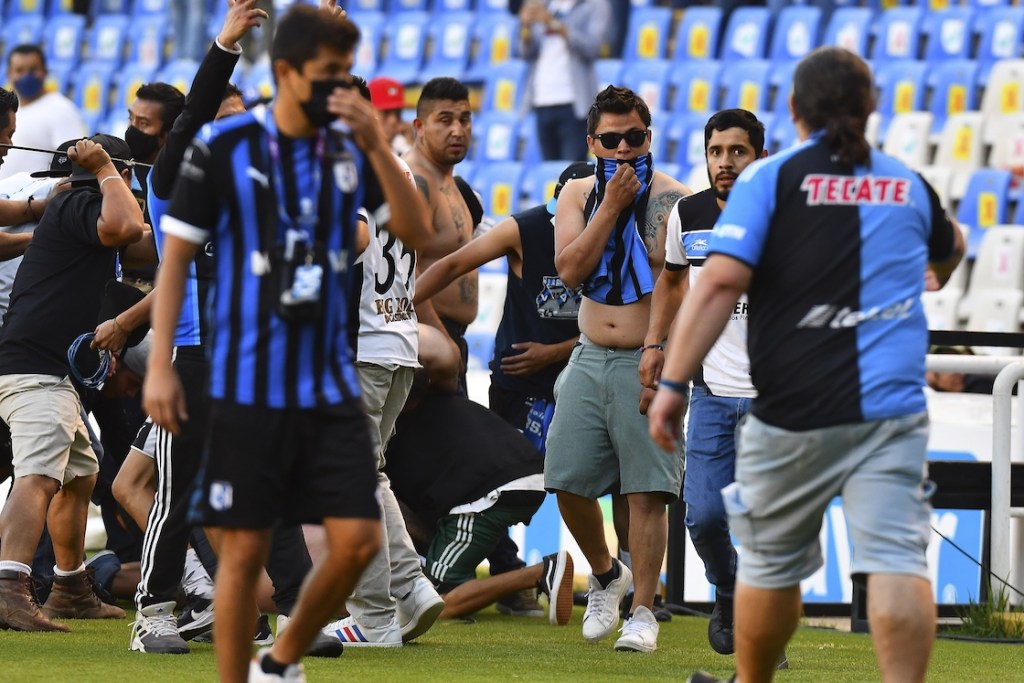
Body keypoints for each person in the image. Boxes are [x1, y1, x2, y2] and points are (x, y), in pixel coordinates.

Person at [647, 46, 965, 683]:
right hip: (891, 408)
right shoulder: (907, 182)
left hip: (792, 405)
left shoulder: (772, 180)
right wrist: (938, 272)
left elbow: (714, 287)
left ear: (793, 111)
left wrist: (674, 382)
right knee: (898, 560)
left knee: (770, 563)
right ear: (872, 108)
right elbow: (953, 243)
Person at [143, 5, 430, 682]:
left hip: (323, 376)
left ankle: (278, 658)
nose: (336, 88)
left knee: (357, 541)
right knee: (234, 543)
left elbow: (413, 232)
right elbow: (175, 263)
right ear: (285, 74)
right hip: (237, 372)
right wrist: (159, 365)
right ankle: (210, 646)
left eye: (342, 75)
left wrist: (375, 148)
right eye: (324, 73)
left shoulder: (341, 155)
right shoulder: (218, 152)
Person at [545, 85, 689, 653]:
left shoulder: (676, 200)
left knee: (646, 491)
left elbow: (684, 286)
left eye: (634, 137)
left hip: (648, 356)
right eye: (612, 139)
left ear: (648, 137)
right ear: (593, 143)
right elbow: (571, 270)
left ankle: (646, 611)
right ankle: (608, 576)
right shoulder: (578, 194)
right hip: (589, 352)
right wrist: (610, 206)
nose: (624, 148)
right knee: (566, 477)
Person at [0, 134, 145, 631]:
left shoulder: (75, 205)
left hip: (46, 367)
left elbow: (143, 235)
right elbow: (127, 225)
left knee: (80, 474)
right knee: (39, 475)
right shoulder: (85, 201)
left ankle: (70, 586)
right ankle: (8, 587)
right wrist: (107, 168)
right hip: (36, 365)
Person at [320, 76, 444, 649]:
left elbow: (353, 240)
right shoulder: (403, 171)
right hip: (398, 340)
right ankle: (411, 586)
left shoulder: (350, 171)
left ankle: (372, 618)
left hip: (361, 345)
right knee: (368, 475)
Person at [406, 76, 537, 615]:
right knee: (429, 456)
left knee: (456, 461)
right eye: (445, 120)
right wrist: (437, 336)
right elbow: (405, 270)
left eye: (464, 119)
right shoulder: (410, 182)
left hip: (452, 342)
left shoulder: (462, 190)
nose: (458, 130)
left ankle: (504, 572)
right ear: (418, 125)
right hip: (422, 344)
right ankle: (474, 575)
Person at [640, 108, 766, 658]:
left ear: (759, 156)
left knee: (768, 526)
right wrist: (655, 343)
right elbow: (670, 280)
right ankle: (730, 590)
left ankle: (762, 633)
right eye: (716, 152)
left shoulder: (783, 214)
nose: (725, 162)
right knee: (706, 515)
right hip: (711, 393)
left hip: (773, 398)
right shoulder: (686, 215)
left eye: (736, 152)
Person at [382, 326, 574, 626]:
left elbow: (396, 511)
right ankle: (505, 589)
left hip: (489, 492)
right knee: (450, 541)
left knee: (434, 601)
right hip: (520, 475)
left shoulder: (389, 431)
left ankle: (539, 573)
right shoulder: (440, 401)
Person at [414, 160, 590, 443]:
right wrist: (404, 301)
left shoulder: (610, 238)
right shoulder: (525, 228)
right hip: (518, 385)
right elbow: (452, 266)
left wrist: (554, 352)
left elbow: (617, 324)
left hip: (579, 381)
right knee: (520, 480)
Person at [519, 0, 611, 162]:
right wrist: (525, 27)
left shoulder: (594, 5)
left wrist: (553, 24)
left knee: (572, 174)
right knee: (550, 175)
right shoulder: (544, 5)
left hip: (574, 104)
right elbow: (525, 53)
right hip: (542, 100)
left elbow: (593, 47)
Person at [0, 44, 87, 181]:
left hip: (36, 199)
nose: (26, 76)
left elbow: (75, 160)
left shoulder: (61, 109)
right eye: (19, 70)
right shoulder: (7, 109)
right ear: (9, 73)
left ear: (45, 71)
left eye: (33, 70)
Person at [368, 76, 412, 156]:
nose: (393, 120)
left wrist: (410, 146)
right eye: (385, 113)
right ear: (367, 111)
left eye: (398, 113)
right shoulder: (354, 151)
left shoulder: (402, 146)